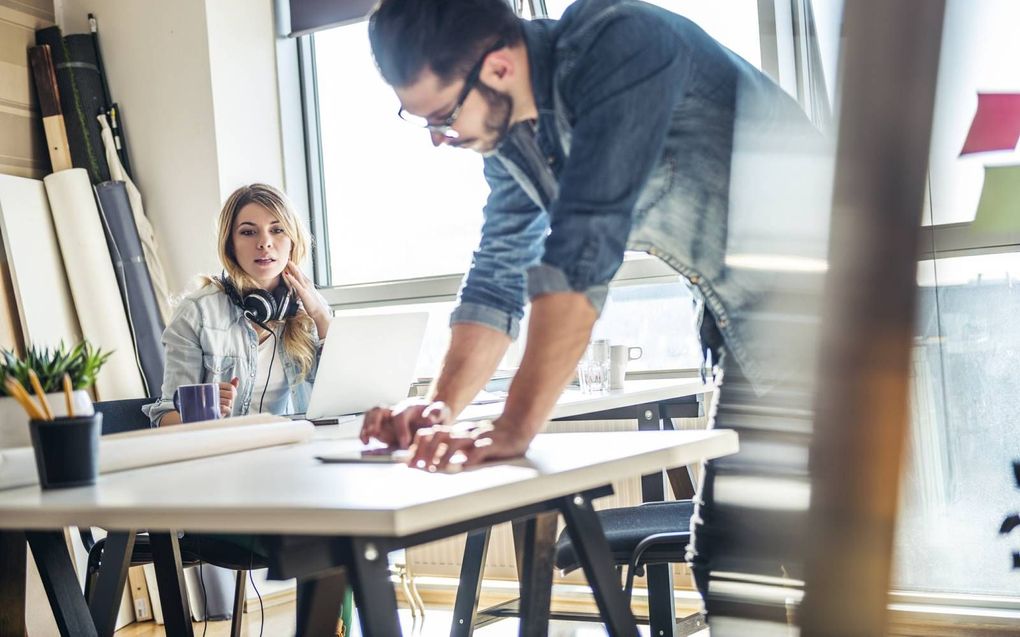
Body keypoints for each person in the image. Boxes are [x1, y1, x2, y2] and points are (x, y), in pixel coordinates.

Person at [359, 0, 831, 624]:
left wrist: (515, 425)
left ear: (497, 66)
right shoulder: (511, 139)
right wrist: (443, 407)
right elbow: (498, 274)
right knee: (734, 554)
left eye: (444, 115)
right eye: (420, 120)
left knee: (761, 549)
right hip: (737, 319)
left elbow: (583, 251)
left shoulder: (621, 46)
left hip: (826, 299)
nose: (442, 139)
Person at [144, 183, 331, 426]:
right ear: (230, 244)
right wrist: (203, 414)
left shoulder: (309, 310)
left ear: (293, 241)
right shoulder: (197, 312)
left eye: (277, 230)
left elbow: (342, 399)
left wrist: (321, 316)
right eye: (248, 232)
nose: (264, 243)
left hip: (292, 449)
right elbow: (164, 416)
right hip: (224, 455)